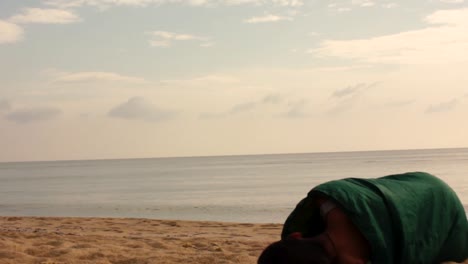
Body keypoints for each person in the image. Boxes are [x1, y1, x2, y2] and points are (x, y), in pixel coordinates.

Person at [258, 172, 468, 264]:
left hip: (437, 206)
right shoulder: (326, 199)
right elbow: (341, 190)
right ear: (295, 236)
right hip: (428, 187)